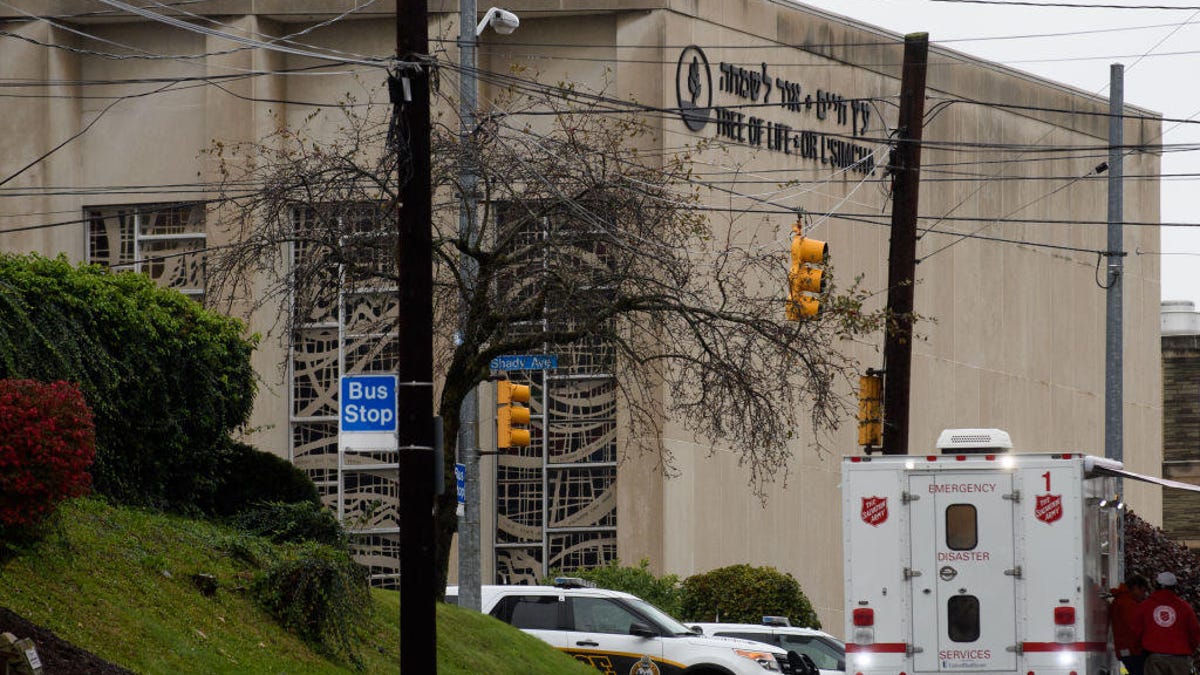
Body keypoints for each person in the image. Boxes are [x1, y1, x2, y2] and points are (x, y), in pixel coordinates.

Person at [1135, 572, 1200, 675]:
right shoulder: (1185, 607)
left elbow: (1136, 631)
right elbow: (1195, 632)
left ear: (1156, 585)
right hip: (1180, 659)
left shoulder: (1145, 606)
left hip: (1154, 658)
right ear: (1174, 587)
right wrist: (1188, 649)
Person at [1112, 574, 1152, 675]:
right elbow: (1137, 627)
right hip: (1133, 650)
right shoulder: (1128, 604)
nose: (1144, 595)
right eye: (1143, 591)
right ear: (1135, 588)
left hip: (1127, 650)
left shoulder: (1121, 600)